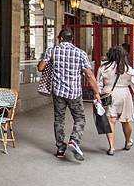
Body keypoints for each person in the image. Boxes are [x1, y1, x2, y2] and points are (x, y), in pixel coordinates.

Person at [38, 28, 101, 161]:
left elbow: (41, 67)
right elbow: (89, 75)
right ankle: (74, 140)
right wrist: (96, 92)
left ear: (60, 38)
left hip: (58, 92)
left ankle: (60, 148)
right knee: (80, 119)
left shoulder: (52, 50)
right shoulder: (80, 53)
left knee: (59, 120)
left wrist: (46, 62)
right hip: (74, 93)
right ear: (71, 39)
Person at [98, 46, 134, 155]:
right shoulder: (128, 68)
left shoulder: (103, 68)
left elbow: (98, 84)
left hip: (109, 94)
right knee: (126, 120)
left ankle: (112, 147)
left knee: (111, 120)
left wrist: (98, 96)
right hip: (124, 94)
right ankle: (128, 142)